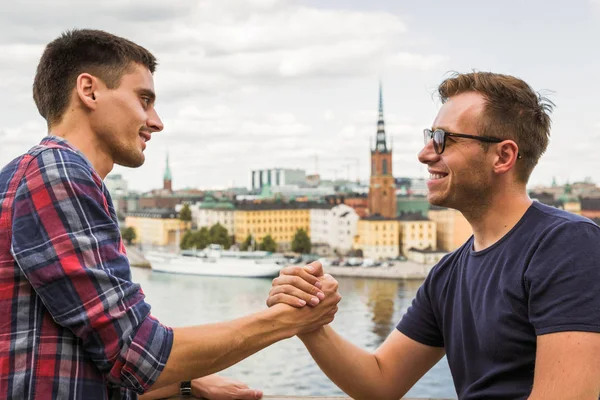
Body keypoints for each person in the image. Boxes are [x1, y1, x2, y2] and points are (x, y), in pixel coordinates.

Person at [0, 29, 341, 400]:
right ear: (89, 90)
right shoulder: (60, 172)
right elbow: (135, 353)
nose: (157, 121)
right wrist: (289, 320)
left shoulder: (23, 174)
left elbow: (78, 364)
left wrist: (186, 384)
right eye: (143, 99)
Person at [267, 72, 600, 399]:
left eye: (443, 139)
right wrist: (310, 322)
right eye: (430, 137)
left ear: (503, 156)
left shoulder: (567, 245)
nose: (425, 154)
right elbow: (380, 382)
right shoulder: (448, 273)